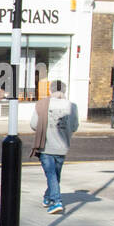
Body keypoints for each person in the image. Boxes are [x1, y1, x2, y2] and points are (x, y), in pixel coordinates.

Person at [29, 80, 79, 215]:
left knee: (51, 175)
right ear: (64, 90)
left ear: (50, 90)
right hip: (63, 147)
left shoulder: (42, 104)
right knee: (55, 175)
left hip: (45, 145)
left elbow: (33, 124)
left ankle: (57, 201)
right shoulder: (72, 106)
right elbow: (74, 126)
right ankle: (47, 198)